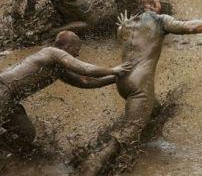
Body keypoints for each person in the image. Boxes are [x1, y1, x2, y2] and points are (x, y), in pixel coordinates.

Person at [79, 0, 202, 175]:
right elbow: (191, 27)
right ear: (154, 4)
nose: (160, 4)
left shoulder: (128, 23)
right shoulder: (159, 20)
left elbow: (123, 36)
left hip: (122, 81)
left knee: (157, 112)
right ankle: (88, 167)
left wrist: (122, 28)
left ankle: (149, 148)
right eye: (159, 1)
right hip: (140, 87)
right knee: (127, 133)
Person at [0, 30, 132, 146]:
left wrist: (116, 79)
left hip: (10, 99)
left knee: (27, 134)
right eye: (76, 51)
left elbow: (85, 81)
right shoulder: (51, 53)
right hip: (3, 90)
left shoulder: (57, 68)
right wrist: (114, 70)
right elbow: (85, 69)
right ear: (68, 46)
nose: (77, 55)